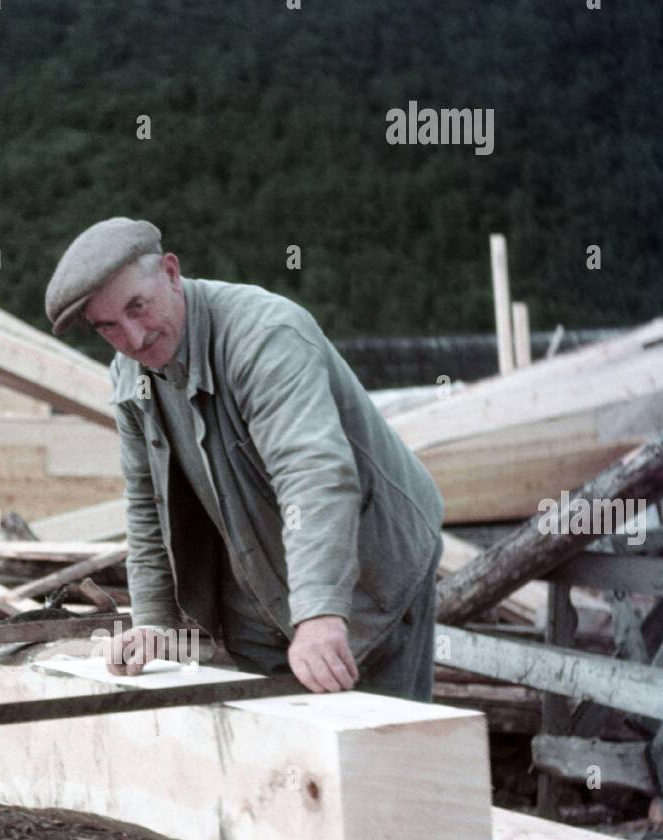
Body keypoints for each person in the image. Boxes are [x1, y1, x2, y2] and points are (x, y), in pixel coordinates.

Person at [43, 218, 445, 699]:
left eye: (138, 307)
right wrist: (152, 621)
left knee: (379, 751)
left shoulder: (265, 337)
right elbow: (148, 506)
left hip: (370, 576)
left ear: (171, 273)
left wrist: (318, 613)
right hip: (256, 591)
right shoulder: (132, 375)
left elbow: (312, 473)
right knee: (283, 758)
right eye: (108, 327)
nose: (133, 338)